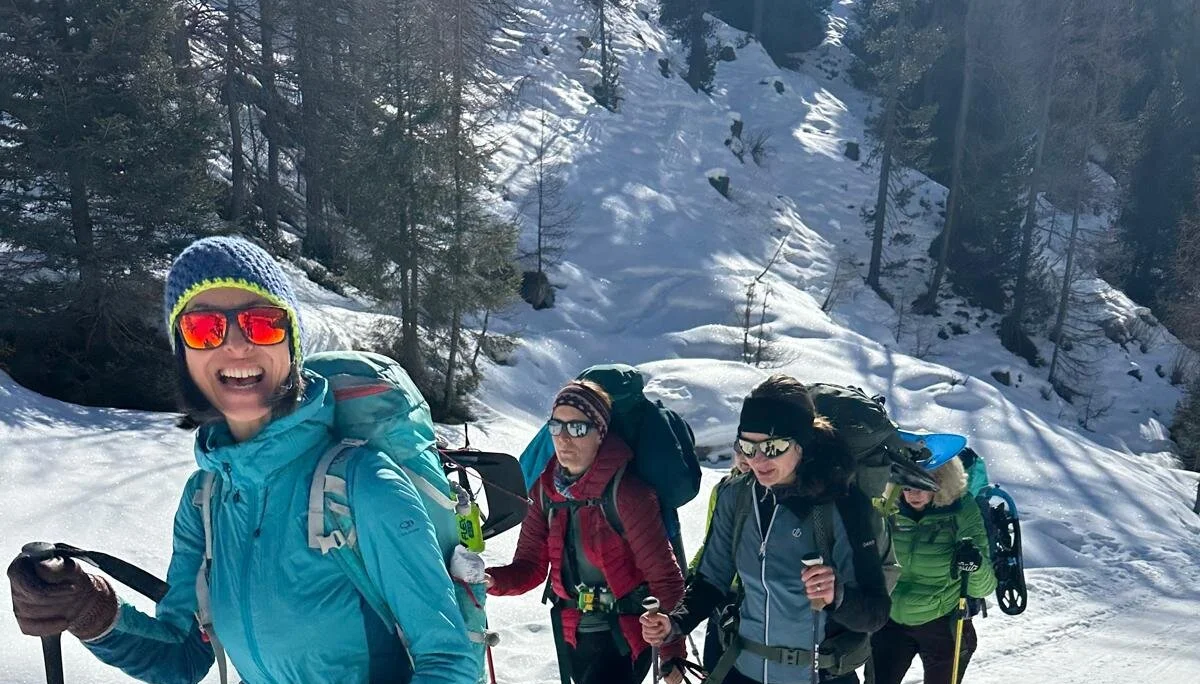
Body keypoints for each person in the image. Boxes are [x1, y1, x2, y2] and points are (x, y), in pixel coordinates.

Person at [7, 235, 477, 684]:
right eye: (203, 328)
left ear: (290, 346)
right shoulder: (205, 500)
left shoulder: (361, 486)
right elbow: (182, 654)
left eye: (262, 323)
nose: (234, 344)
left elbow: (447, 661)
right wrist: (89, 610)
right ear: (183, 355)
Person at [642, 374, 891, 684]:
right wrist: (674, 623)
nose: (757, 459)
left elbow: (875, 613)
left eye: (773, 447)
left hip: (819, 676)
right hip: (743, 670)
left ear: (802, 442)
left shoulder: (843, 503)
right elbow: (711, 580)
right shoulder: (737, 496)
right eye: (747, 446)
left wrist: (836, 594)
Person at [485, 380, 685, 684]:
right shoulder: (544, 491)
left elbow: (664, 576)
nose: (564, 438)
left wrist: (672, 652)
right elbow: (530, 568)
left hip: (626, 634)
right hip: (573, 634)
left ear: (600, 433)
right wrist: (488, 580)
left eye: (578, 428)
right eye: (556, 426)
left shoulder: (628, 493)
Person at [870, 455, 997, 684]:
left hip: (942, 623)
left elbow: (984, 587)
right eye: (906, 487)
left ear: (940, 483)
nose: (912, 494)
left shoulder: (961, 510)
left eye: (921, 486)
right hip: (892, 620)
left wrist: (975, 564)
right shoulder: (889, 509)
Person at [688, 450, 752, 670]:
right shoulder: (723, 489)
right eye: (739, 450)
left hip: (753, 597)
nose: (744, 458)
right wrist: (693, 572)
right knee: (714, 667)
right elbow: (712, 542)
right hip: (723, 592)